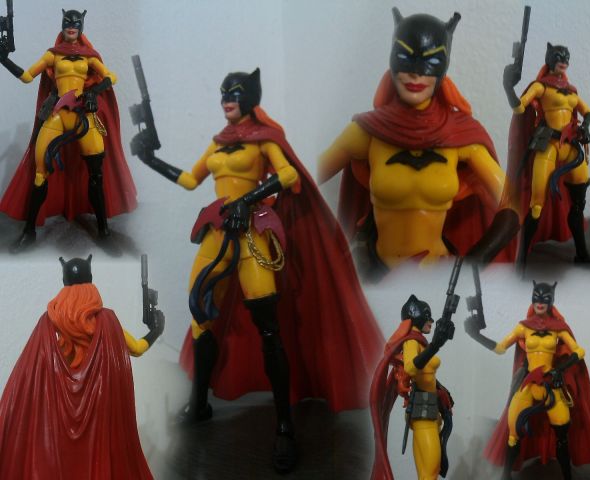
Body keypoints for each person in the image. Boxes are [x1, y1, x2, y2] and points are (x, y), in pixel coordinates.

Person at [131, 68, 383, 473]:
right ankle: (198, 404)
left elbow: (287, 175)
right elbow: (190, 180)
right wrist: (151, 159)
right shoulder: (219, 142)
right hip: (216, 234)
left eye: (234, 93)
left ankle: (284, 425)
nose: (226, 100)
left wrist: (248, 201)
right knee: (200, 317)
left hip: (251, 235)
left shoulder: (265, 138)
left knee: (268, 326)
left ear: (250, 96)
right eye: (223, 93)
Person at [318, 9, 518, 280]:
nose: (415, 74)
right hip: (375, 272)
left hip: (437, 275)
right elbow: (305, 176)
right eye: (404, 58)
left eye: (431, 61)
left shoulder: (460, 136)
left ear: (443, 67)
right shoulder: (367, 132)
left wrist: (474, 261)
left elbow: (512, 203)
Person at [0, 255, 164, 479]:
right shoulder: (107, 320)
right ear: (91, 279)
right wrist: (156, 331)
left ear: (64, 282)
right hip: (99, 403)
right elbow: (136, 348)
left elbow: (32, 368)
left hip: (61, 408)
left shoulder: (50, 323)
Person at [0, 9, 136, 251]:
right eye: (67, 22)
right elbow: (27, 77)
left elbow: (111, 77)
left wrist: (94, 92)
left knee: (96, 172)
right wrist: (4, 59)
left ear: (82, 26)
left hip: (83, 114)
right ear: (62, 25)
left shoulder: (89, 57)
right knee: (40, 170)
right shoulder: (53, 55)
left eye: (76, 22)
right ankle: (28, 232)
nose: (71, 26)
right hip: (58, 114)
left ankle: (103, 231)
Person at [465, 281, 590, 479]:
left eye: (545, 298)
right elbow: (501, 348)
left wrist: (560, 369)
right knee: (513, 428)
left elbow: (579, 351)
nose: (540, 302)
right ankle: (505, 475)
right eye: (536, 297)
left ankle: (567, 476)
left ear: (551, 301)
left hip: (549, 383)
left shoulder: (558, 328)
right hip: (528, 384)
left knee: (562, 426)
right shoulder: (523, 327)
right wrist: (476, 336)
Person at [503, 43, 590, 266]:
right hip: (548, 145)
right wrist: (508, 87)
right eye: (559, 56)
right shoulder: (540, 87)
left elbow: (588, 111)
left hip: (571, 147)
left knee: (578, 201)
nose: (563, 60)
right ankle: (522, 259)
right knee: (536, 204)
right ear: (550, 59)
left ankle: (581, 254)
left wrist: (586, 126)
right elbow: (519, 107)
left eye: (566, 57)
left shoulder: (571, 90)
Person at [370, 295, 454, 480]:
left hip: (431, 406)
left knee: (428, 471)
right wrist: (435, 346)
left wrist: (442, 392)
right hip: (422, 407)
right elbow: (410, 368)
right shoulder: (411, 342)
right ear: (416, 317)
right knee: (431, 467)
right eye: (427, 316)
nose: (431, 320)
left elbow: (427, 375)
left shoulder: (421, 342)